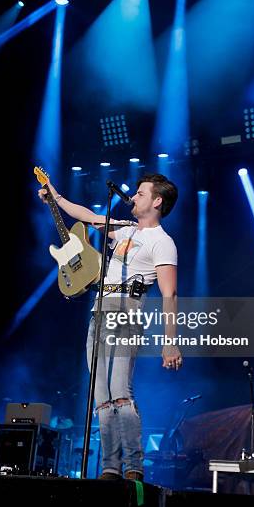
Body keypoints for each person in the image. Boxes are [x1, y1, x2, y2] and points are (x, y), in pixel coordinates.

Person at [38, 173, 182, 481]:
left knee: (119, 391)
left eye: (141, 194)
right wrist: (57, 197)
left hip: (126, 312)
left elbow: (170, 294)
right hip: (100, 310)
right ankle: (110, 467)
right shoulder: (125, 229)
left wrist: (170, 342)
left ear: (157, 201)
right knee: (100, 395)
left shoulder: (162, 242)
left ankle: (133, 466)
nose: (134, 198)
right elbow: (88, 217)